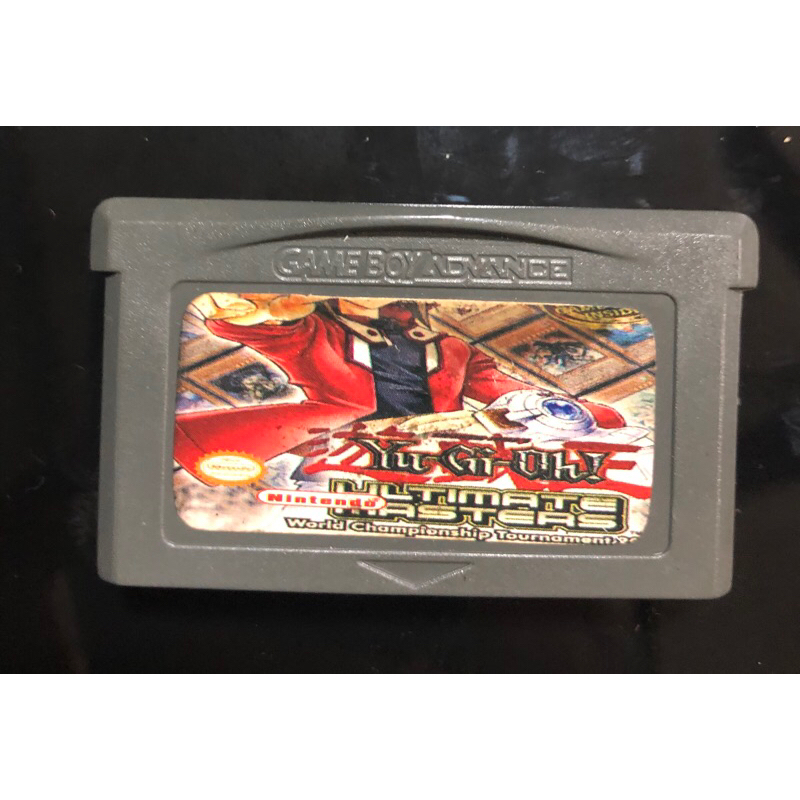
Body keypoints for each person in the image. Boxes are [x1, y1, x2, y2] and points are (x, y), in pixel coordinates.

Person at [174, 293, 627, 483]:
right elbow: (270, 331)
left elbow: (503, 387)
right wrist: (254, 317)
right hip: (338, 457)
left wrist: (584, 413)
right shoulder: (315, 332)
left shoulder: (450, 347)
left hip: (435, 457)